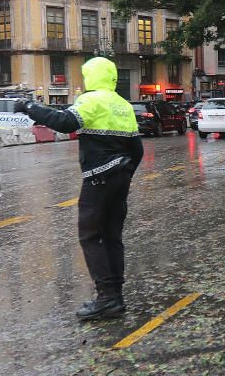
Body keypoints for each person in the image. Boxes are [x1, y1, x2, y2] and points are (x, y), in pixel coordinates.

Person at [14, 56, 143, 320]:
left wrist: (29, 107)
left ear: (92, 77)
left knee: (90, 235)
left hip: (99, 178)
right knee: (112, 236)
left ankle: (107, 298)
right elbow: (137, 149)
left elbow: (64, 122)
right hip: (120, 179)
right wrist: (126, 173)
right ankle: (115, 295)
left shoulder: (92, 99)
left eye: (86, 76)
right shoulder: (123, 105)